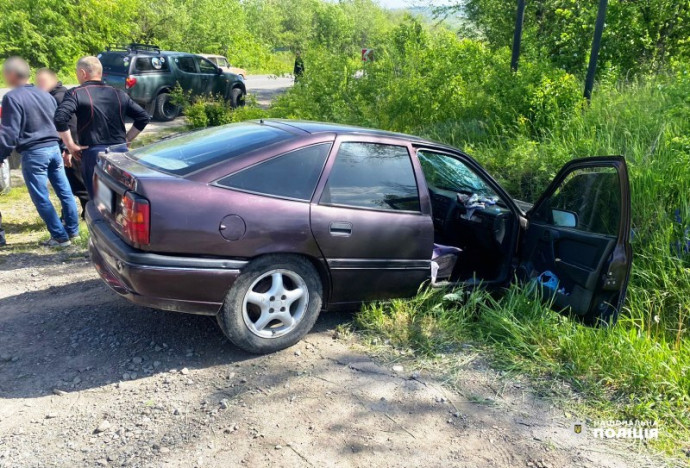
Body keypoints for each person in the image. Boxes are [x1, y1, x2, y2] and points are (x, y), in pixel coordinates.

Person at [0, 57, 79, 248]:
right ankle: (73, 231)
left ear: (11, 75)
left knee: (41, 196)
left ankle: (59, 237)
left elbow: (9, 133)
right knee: (65, 191)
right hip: (54, 148)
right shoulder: (46, 95)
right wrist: (62, 147)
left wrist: (1, 155)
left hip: (34, 152)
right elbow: (57, 122)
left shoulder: (12, 97)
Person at [54, 56, 150, 199]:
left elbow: (60, 118)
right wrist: (127, 139)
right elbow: (143, 116)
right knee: (120, 199)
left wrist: (71, 146)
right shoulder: (118, 93)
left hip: (94, 154)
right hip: (120, 152)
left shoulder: (76, 93)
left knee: (99, 201)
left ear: (82, 73)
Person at [36, 68, 89, 218]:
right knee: (68, 184)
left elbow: (71, 124)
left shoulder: (60, 97)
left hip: (71, 146)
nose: (39, 86)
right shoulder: (54, 95)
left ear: (54, 80)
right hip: (66, 146)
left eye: (42, 82)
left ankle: (88, 213)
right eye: (37, 82)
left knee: (78, 183)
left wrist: (68, 148)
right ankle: (67, 214)